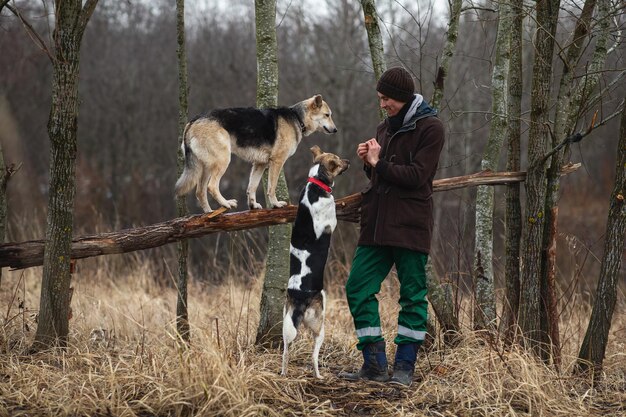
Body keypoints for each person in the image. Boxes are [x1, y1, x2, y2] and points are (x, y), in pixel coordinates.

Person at [340, 67, 445, 386]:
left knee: (413, 297)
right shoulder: (383, 128)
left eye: (386, 99)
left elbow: (416, 177)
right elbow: (380, 175)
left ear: (402, 97)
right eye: (380, 98)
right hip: (376, 226)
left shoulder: (432, 128)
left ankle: (403, 369)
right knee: (357, 288)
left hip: (410, 225)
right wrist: (367, 163)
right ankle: (373, 366)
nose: (382, 104)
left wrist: (378, 163)